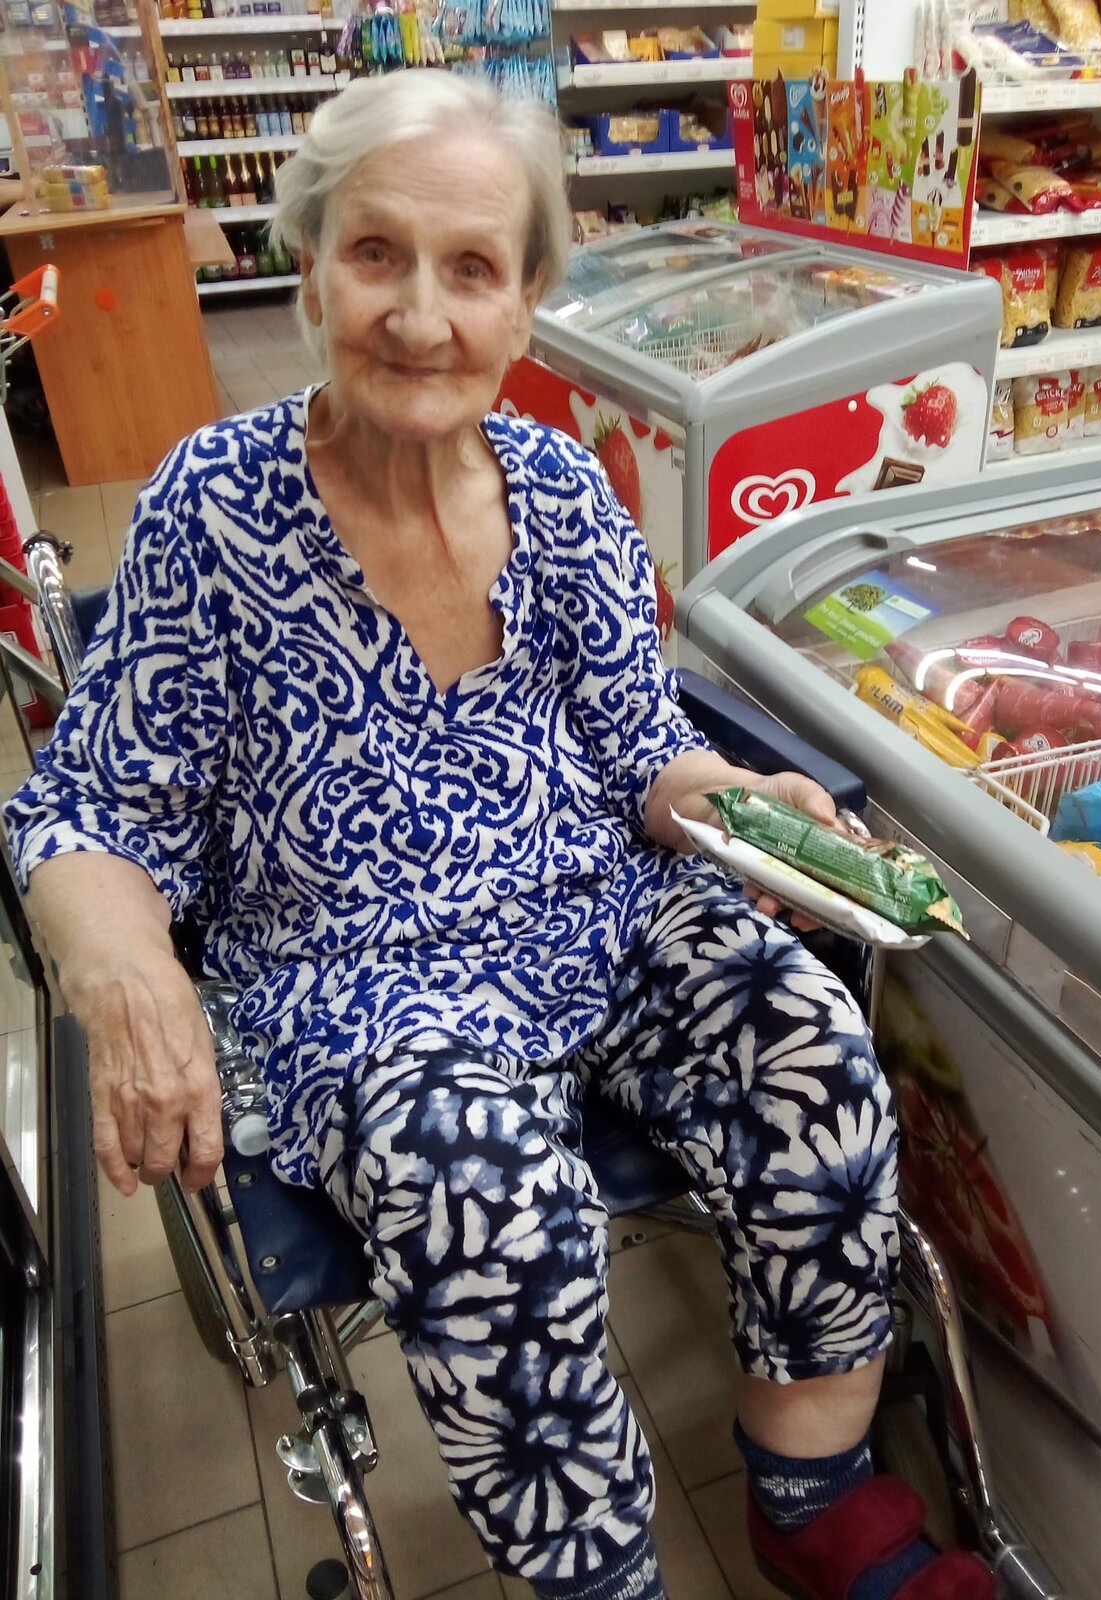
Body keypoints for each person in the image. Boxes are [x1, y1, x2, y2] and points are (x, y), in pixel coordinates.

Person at [2, 73, 992, 1600]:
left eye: (471, 268)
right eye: (375, 254)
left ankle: (811, 1497)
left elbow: (643, 752)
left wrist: (742, 814)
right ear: (310, 266)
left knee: (811, 1048)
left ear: (527, 301)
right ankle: (602, 1578)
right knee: (492, 1201)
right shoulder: (214, 509)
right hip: (359, 980)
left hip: (597, 910)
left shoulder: (564, 490)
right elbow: (93, 807)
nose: (420, 315)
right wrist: (127, 970)